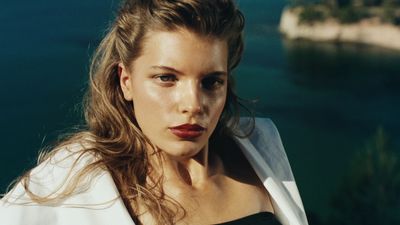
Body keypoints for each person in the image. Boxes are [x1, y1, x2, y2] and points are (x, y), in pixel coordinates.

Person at [0, 0, 308, 224]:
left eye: (211, 81)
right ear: (126, 81)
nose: (193, 104)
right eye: (166, 78)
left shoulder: (260, 146)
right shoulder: (71, 179)